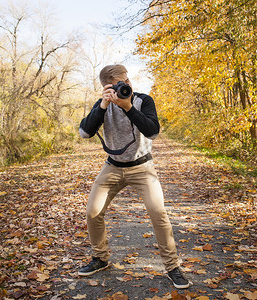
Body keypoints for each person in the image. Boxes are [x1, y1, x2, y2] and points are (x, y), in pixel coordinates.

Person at [77, 64, 190, 289]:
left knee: (159, 213)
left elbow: (153, 131)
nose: (125, 86)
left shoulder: (142, 100)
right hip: (112, 166)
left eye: (126, 81)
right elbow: (84, 132)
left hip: (142, 166)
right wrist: (103, 105)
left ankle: (172, 266)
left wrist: (128, 107)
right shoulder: (103, 105)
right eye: (119, 84)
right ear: (105, 87)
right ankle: (100, 257)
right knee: (92, 211)